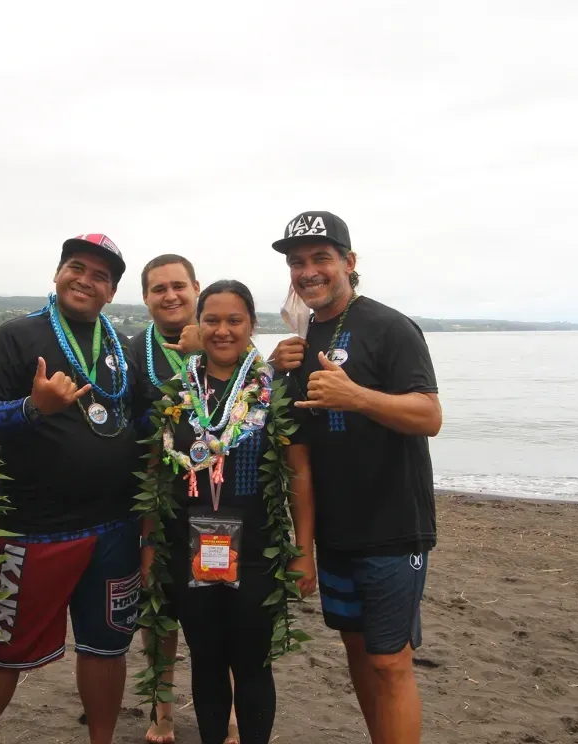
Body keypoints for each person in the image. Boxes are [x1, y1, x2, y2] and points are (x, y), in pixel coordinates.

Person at [0, 234, 144, 744]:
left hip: (117, 527)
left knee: (108, 647)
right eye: (76, 268)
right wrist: (31, 408)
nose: (85, 279)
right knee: (5, 649)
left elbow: (145, 419)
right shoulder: (16, 338)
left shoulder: (124, 348)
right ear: (57, 273)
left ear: (112, 292)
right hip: (37, 528)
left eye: (100, 276)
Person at [267, 211, 442, 744]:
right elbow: (299, 457)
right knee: (359, 655)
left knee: (390, 662)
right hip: (337, 534)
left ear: (350, 261)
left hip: (393, 527)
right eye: (298, 263)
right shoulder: (300, 340)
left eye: (322, 258)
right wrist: (304, 548)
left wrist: (356, 397)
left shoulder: (390, 326)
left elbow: (429, 416)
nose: (309, 271)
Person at [139, 280, 317, 744]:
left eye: (234, 320)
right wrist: (149, 550)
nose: (222, 330)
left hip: (257, 550)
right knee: (206, 660)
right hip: (188, 549)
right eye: (212, 320)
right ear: (198, 324)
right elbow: (157, 478)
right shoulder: (175, 393)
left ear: (251, 326)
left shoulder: (274, 389)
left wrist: (303, 552)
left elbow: (298, 475)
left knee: (254, 662)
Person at [127, 255, 238, 744]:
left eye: (178, 286)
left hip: (219, 504)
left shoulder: (224, 344)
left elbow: (258, 386)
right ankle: (163, 710)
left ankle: (228, 714)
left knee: (222, 612)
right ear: (146, 297)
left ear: (196, 288)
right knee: (158, 609)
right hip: (157, 501)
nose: (169, 296)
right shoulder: (133, 353)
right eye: (158, 289)